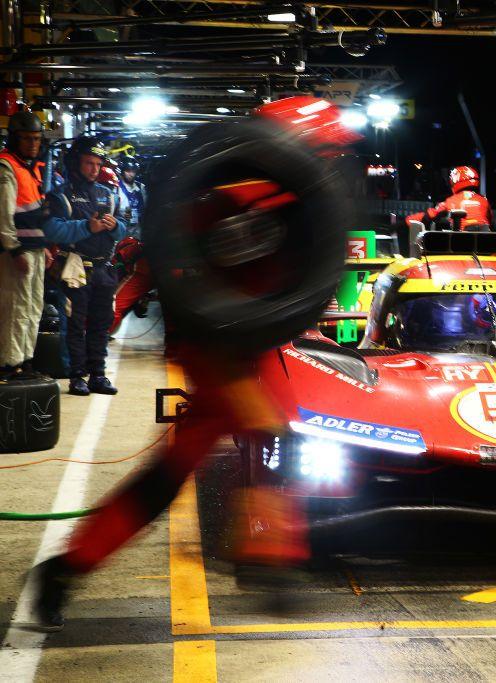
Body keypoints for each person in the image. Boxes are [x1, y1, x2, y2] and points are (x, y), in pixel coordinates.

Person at [29, 95, 356, 632]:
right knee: (271, 436)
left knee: (173, 475)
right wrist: (116, 314)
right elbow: (170, 252)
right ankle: (269, 560)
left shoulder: (298, 204)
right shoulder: (240, 194)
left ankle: (66, 569)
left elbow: (299, 273)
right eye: (320, 151)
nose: (325, 164)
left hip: (249, 345)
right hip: (217, 348)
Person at [45, 137, 125, 396]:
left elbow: (124, 228)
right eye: (89, 163)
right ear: (76, 163)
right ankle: (77, 376)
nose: (94, 169)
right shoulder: (60, 195)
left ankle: (98, 375)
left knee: (101, 324)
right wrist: (85, 228)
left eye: (98, 164)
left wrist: (115, 228)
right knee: (75, 325)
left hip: (104, 269)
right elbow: (52, 229)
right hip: (75, 269)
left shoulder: (108, 195)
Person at [0, 111, 48, 378]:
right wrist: (14, 248)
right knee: (16, 308)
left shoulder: (29, 169)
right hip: (17, 252)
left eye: (37, 139)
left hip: (35, 250)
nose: (33, 144)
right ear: (14, 139)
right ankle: (9, 363)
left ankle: (25, 361)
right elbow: (3, 215)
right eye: (27, 139)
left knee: (32, 308)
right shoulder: (7, 168)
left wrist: (44, 247)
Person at [405, 166, 491, 231]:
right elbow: (490, 222)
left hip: (462, 245)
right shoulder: (484, 200)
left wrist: (407, 221)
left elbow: (429, 216)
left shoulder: (450, 201)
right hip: (486, 244)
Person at [118, 159, 146, 237]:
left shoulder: (141, 187)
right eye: (128, 171)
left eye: (133, 171)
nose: (131, 174)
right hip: (121, 231)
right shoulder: (116, 187)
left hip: (138, 231)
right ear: (122, 171)